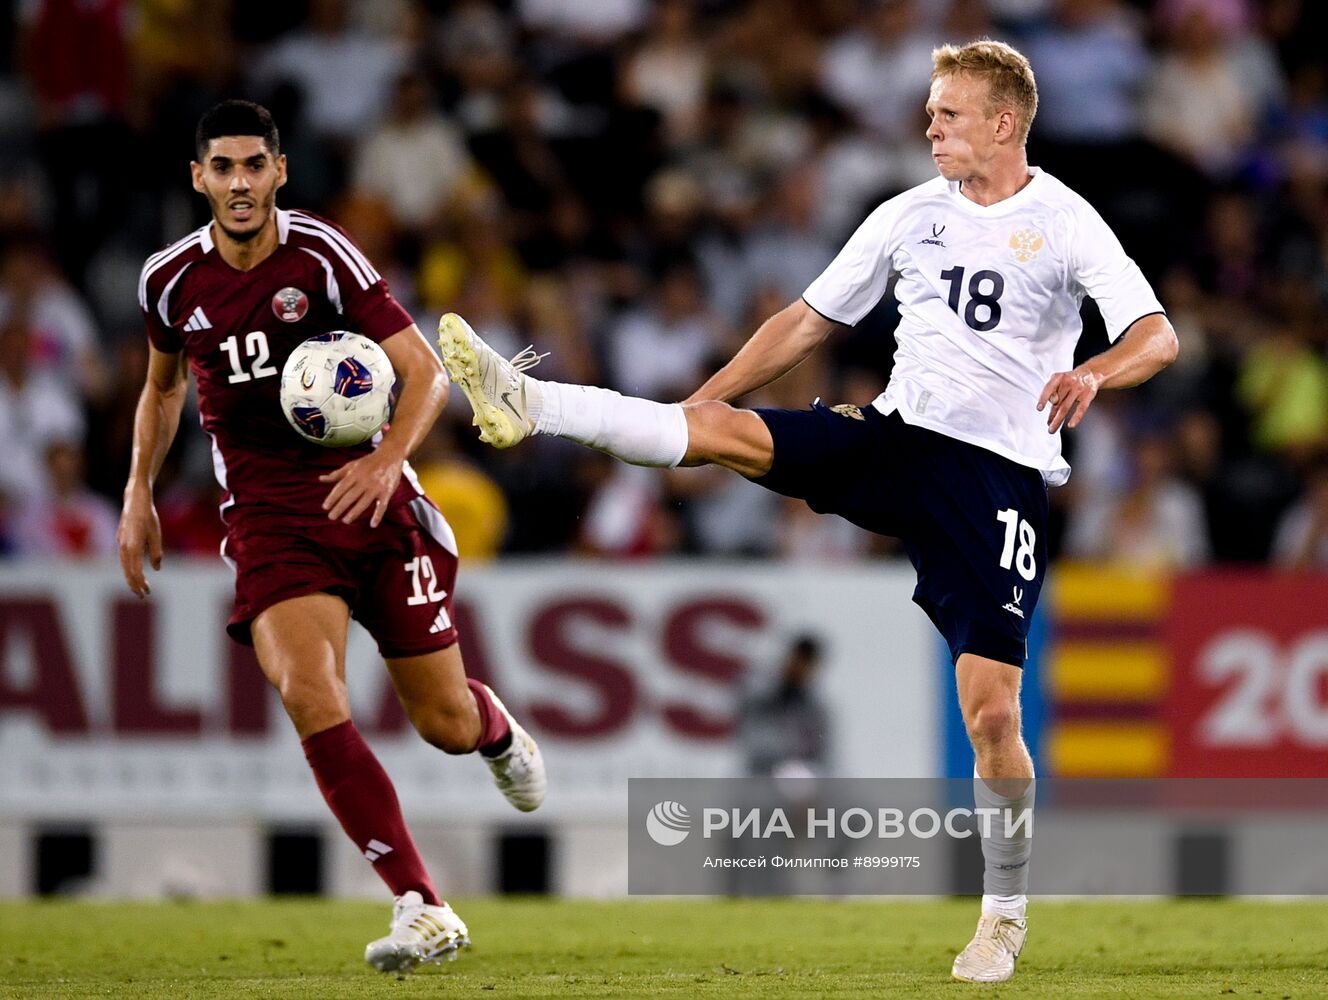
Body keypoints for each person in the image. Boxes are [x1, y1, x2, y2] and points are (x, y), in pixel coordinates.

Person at [438, 40, 1178, 984]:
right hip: (896, 439)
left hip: (996, 478)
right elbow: (804, 323)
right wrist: (698, 408)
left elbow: (1157, 334)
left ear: (1004, 122)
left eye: (948, 113)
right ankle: (528, 400)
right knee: (726, 432)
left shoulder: (1066, 220)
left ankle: (1003, 914)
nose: (930, 126)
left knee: (993, 712)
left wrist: (1094, 372)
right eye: (930, 110)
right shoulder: (908, 215)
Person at [116, 100, 546, 974]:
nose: (240, 183)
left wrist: (387, 460)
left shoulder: (321, 254)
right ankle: (421, 904)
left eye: (254, 165)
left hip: (371, 502)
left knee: (443, 723)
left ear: (279, 171)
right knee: (311, 691)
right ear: (199, 178)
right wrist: (138, 491)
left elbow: (424, 372)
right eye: (223, 168)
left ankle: (494, 729)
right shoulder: (169, 279)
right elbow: (162, 389)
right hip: (270, 520)